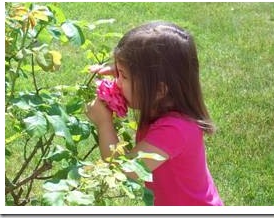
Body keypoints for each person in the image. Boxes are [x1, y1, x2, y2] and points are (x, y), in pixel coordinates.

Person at [85, 21, 223, 206]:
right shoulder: (159, 106)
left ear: (159, 90)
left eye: (123, 76)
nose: (117, 82)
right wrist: (124, 71)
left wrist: (104, 124)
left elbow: (127, 170)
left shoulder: (174, 130)